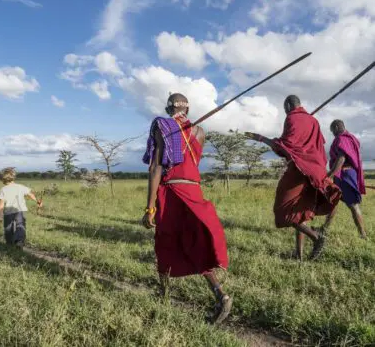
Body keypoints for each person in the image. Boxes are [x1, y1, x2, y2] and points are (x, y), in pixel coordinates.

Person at [141, 93, 232, 324]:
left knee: (164, 242)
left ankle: (163, 296)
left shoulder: (163, 126)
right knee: (194, 243)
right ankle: (220, 294)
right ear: (188, 109)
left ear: (167, 107)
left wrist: (150, 206)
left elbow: (155, 167)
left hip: (172, 192)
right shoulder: (200, 132)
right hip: (194, 191)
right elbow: (192, 163)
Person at [245, 95, 341, 261]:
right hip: (315, 169)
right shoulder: (313, 121)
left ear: (289, 105)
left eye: (284, 108)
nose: (285, 111)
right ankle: (299, 254)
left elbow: (284, 146)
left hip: (299, 169)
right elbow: (316, 146)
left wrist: (260, 138)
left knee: (283, 210)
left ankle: (316, 237)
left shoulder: (292, 118)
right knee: (300, 211)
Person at [319, 120, 367, 239]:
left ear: (336, 127)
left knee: (353, 205)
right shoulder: (351, 138)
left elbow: (341, 159)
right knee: (333, 201)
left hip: (344, 174)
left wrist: (329, 174)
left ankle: (363, 235)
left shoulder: (342, 138)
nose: (333, 133)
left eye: (332, 130)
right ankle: (324, 229)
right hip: (344, 174)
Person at [0, 167, 42, 248]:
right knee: (20, 226)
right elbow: (30, 194)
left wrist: (0, 216)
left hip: (8, 212)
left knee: (8, 229)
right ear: (13, 177)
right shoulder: (21, 187)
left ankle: (9, 244)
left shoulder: (2, 190)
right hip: (20, 211)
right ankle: (19, 241)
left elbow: (1, 205)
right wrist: (37, 201)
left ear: (2, 179)